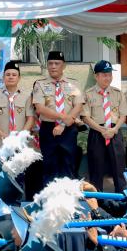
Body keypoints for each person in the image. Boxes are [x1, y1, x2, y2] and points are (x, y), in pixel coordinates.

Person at [32, 51, 84, 184]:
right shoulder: (40, 84)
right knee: (50, 168)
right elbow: (40, 108)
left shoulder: (74, 84)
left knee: (69, 166)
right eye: (50, 63)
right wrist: (62, 117)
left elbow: (78, 106)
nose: (53, 66)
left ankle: (69, 201)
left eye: (57, 63)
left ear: (64, 66)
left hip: (68, 129)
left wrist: (63, 123)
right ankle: (49, 201)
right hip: (48, 129)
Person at [82, 60, 127, 192]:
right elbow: (85, 117)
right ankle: (97, 203)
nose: (107, 77)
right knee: (96, 169)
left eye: (109, 74)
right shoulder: (89, 94)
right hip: (97, 133)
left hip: (114, 132)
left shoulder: (118, 93)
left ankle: (122, 200)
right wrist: (101, 130)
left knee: (119, 169)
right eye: (104, 74)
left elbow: (124, 115)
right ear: (96, 76)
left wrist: (114, 129)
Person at [0, 61, 35, 153]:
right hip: (0, 142)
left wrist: (20, 136)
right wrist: (2, 135)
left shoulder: (27, 96)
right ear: (3, 77)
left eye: (14, 75)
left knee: (20, 167)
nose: (11, 77)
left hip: (20, 143)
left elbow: (30, 118)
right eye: (8, 74)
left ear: (19, 78)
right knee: (0, 167)